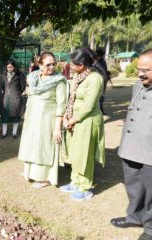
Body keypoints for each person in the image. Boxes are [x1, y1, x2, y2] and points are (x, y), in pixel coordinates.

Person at [110, 49, 152, 240]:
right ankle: (134, 217)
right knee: (133, 185)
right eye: (139, 69)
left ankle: (150, 229)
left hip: (150, 150)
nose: (141, 73)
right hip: (131, 146)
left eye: (147, 70)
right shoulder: (138, 85)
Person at [59, 48, 106, 201]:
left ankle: (85, 187)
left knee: (84, 154)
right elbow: (71, 98)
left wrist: (72, 120)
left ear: (83, 64)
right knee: (75, 153)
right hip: (74, 120)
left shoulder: (95, 79)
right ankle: (75, 182)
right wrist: (66, 116)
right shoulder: (78, 76)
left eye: (74, 64)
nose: (71, 67)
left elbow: (89, 105)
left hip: (87, 120)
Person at [18, 52, 67, 188]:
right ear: (40, 65)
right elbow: (30, 98)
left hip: (47, 121)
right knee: (32, 144)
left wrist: (58, 127)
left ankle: (45, 178)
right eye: (48, 64)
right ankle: (30, 172)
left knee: (44, 146)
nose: (52, 67)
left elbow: (61, 105)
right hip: (32, 118)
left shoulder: (59, 81)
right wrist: (26, 114)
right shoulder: (32, 78)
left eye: (53, 64)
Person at [0, 59, 26, 139]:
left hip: (15, 98)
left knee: (16, 116)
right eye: (8, 67)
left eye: (11, 67)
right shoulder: (3, 75)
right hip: (6, 98)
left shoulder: (20, 75)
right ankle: (4, 133)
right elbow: (2, 86)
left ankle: (14, 133)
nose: (9, 69)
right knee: (4, 116)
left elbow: (23, 87)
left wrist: (17, 93)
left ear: (14, 67)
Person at [95, 48, 112, 115]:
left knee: (102, 96)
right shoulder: (92, 61)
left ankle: (101, 110)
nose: (100, 57)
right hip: (95, 82)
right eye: (99, 56)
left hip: (103, 81)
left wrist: (107, 74)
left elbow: (104, 70)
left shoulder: (102, 61)